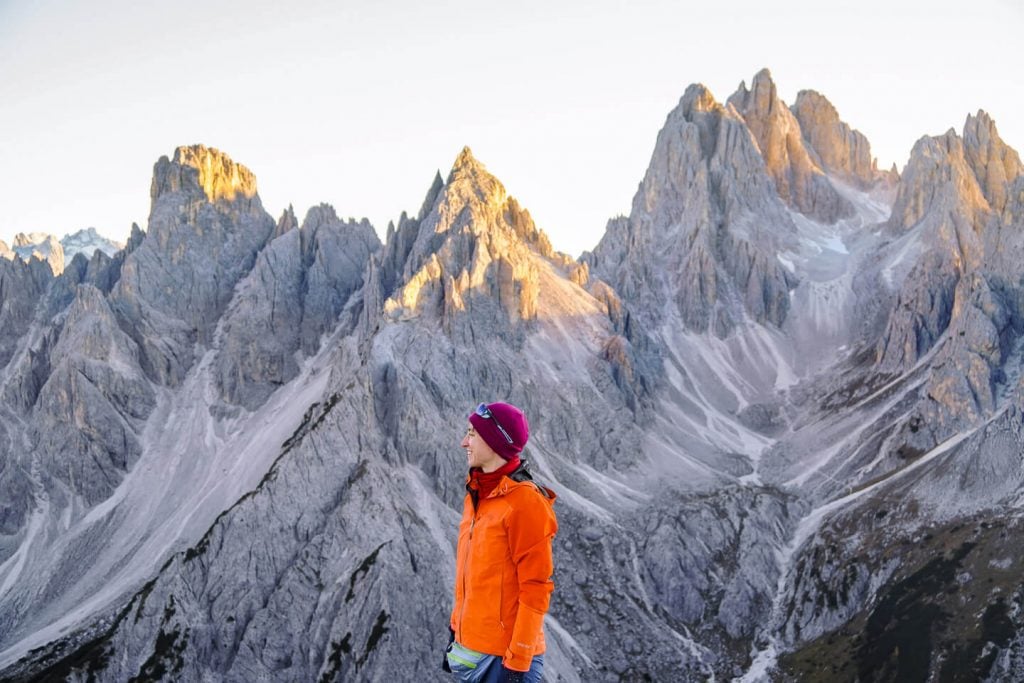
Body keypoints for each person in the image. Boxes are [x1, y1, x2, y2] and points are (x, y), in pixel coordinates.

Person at [443, 402, 558, 683]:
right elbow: (474, 575)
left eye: (471, 433)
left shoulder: (525, 502)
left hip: (505, 660)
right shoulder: (477, 493)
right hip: (471, 651)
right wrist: (456, 628)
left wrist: (517, 663)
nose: (463, 442)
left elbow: (536, 588)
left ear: (494, 441)